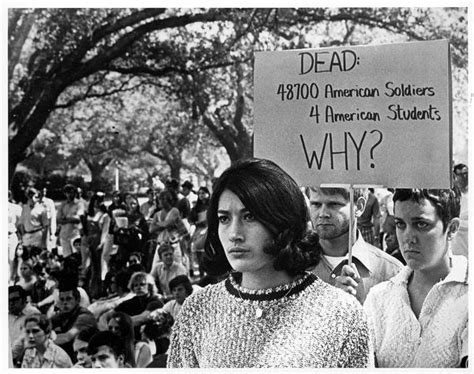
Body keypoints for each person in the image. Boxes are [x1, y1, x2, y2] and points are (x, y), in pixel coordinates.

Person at [168, 158, 372, 368]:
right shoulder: (197, 310)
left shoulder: (341, 313)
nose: (234, 234)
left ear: (282, 219)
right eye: (224, 219)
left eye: (249, 217)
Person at [364, 188, 467, 368]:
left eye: (421, 224)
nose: (408, 238)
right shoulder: (378, 298)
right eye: (400, 224)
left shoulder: (468, 297)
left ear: (451, 228)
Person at [306, 186, 403, 304]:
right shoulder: (291, 265)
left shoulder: (391, 272)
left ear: (359, 206)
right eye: (316, 204)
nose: (323, 213)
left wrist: (360, 308)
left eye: (334, 204)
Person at [50, 285, 97, 361]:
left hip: (86, 356)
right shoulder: (64, 314)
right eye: (62, 300)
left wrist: (43, 340)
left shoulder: (85, 316)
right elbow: (44, 325)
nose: (65, 302)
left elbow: (67, 337)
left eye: (68, 299)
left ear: (77, 300)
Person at [80, 191, 109, 298]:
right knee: (86, 266)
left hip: (97, 242)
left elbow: (105, 231)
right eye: (96, 199)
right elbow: (83, 229)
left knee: (97, 268)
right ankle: (84, 290)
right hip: (87, 242)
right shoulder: (87, 214)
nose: (97, 202)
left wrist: (101, 243)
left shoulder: (105, 215)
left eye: (100, 200)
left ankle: (95, 291)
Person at [9, 285, 41, 367]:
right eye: (8, 300)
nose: (11, 303)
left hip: (25, 359)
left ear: (23, 299)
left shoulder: (32, 314)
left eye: (15, 299)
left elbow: (33, 341)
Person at [18, 187, 49, 256]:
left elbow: (46, 226)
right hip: (27, 236)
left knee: (36, 257)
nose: (32, 197)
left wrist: (43, 241)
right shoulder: (24, 208)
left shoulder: (42, 209)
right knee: (26, 258)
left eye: (33, 195)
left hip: (37, 235)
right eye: (29, 195)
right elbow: (21, 223)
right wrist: (23, 234)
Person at [57, 184, 84, 258]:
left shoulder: (79, 204)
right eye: (67, 193)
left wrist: (65, 218)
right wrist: (70, 219)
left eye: (71, 192)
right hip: (64, 235)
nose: (69, 194)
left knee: (77, 257)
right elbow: (58, 219)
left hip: (75, 235)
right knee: (67, 258)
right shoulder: (62, 205)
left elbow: (78, 218)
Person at [189, 186, 211, 277]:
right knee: (198, 252)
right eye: (199, 193)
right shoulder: (196, 207)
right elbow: (191, 219)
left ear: (208, 194)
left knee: (208, 253)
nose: (201, 195)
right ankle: (202, 275)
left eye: (203, 193)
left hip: (209, 230)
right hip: (199, 230)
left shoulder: (212, 206)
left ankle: (210, 275)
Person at [451, 163, 468, 257]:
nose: (464, 177)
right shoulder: (453, 196)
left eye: (466, 173)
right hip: (457, 245)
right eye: (460, 175)